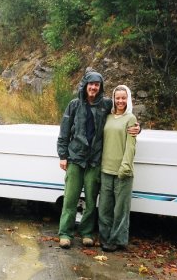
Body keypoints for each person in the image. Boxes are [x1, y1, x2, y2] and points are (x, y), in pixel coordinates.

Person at [56, 69, 139, 249]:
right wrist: (63, 155)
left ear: (100, 87)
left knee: (92, 201)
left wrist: (138, 128)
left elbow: (122, 115)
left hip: (94, 161)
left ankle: (86, 232)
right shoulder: (74, 105)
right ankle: (65, 233)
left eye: (97, 84)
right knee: (70, 199)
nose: (93, 87)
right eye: (91, 84)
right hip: (75, 159)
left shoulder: (105, 105)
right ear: (85, 85)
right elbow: (63, 132)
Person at [98, 85, 137, 252]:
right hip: (105, 169)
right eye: (117, 98)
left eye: (123, 98)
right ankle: (105, 237)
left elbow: (131, 146)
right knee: (105, 208)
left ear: (128, 99)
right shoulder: (107, 117)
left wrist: (125, 166)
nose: (120, 101)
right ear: (113, 99)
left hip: (122, 171)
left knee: (120, 210)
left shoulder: (131, 119)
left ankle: (117, 240)